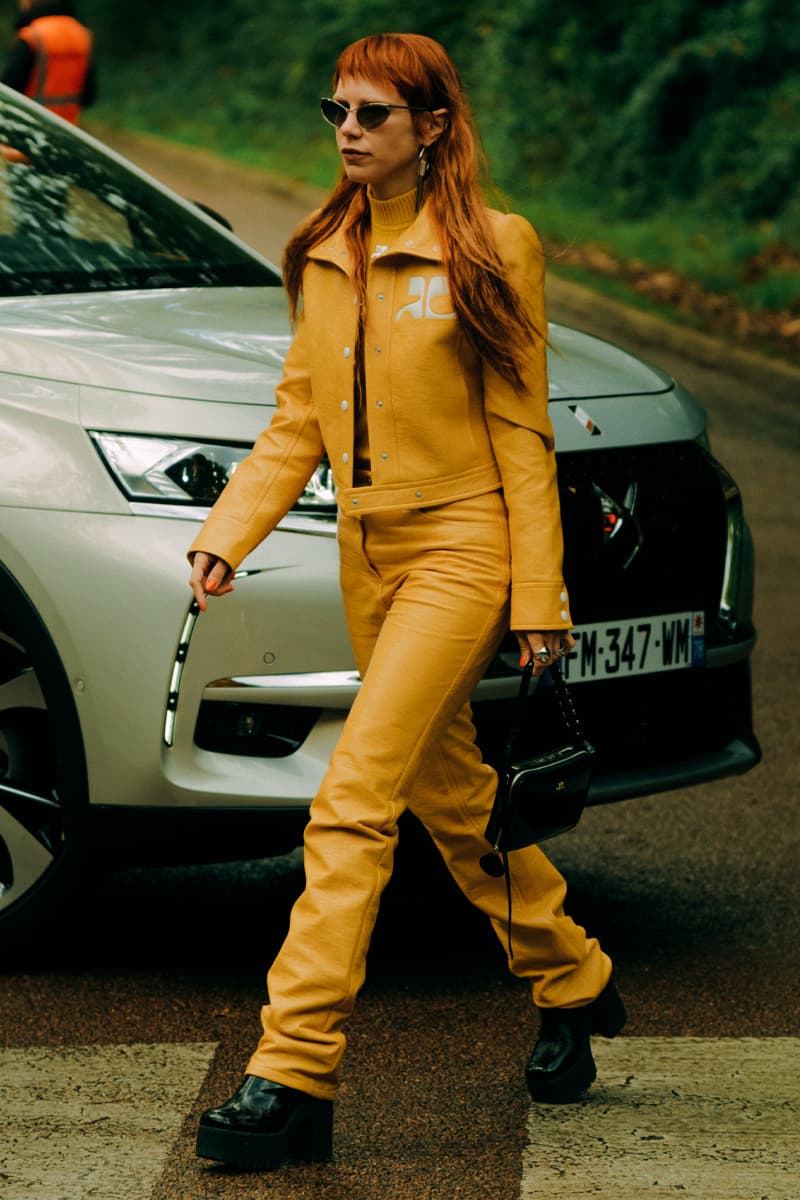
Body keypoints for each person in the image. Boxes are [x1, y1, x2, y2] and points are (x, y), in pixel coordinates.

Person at [188, 32, 626, 1171]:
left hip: (465, 549)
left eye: (372, 113)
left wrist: (540, 600)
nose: (346, 129)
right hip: (366, 552)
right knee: (450, 797)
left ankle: (292, 1072)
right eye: (336, 109)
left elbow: (522, 433)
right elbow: (297, 419)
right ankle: (573, 975)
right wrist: (227, 533)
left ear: (429, 128)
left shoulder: (490, 248)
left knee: (350, 800)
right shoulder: (325, 248)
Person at [1, 0, 96, 125]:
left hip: (28, 127)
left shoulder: (32, 36)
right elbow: (88, 96)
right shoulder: (82, 36)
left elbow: (8, 92)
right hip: (66, 131)